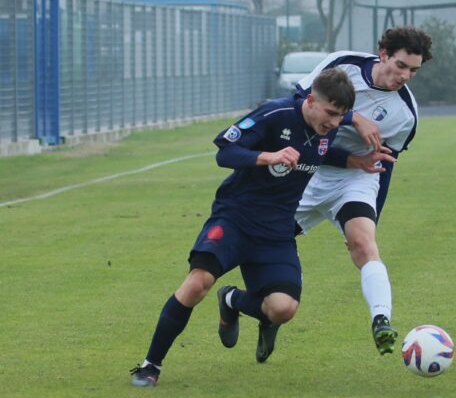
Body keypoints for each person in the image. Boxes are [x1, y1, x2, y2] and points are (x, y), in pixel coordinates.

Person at [130, 68, 391, 387]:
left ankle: (232, 301)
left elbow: (318, 152)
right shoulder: (275, 113)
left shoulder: (327, 126)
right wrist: (268, 156)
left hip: (277, 231)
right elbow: (225, 151)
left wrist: (354, 161)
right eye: (331, 114)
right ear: (311, 101)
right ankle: (150, 365)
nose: (335, 123)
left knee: (283, 309)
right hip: (235, 218)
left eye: (341, 117)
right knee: (198, 283)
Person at [293, 26, 433, 356]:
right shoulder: (343, 64)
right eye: (401, 65)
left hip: (356, 176)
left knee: (364, 244)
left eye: (414, 70)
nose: (406, 76)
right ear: (383, 54)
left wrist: (372, 219)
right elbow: (299, 101)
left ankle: (381, 319)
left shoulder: (405, 115)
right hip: (308, 168)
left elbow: (384, 168)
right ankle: (242, 302)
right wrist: (353, 117)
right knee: (266, 240)